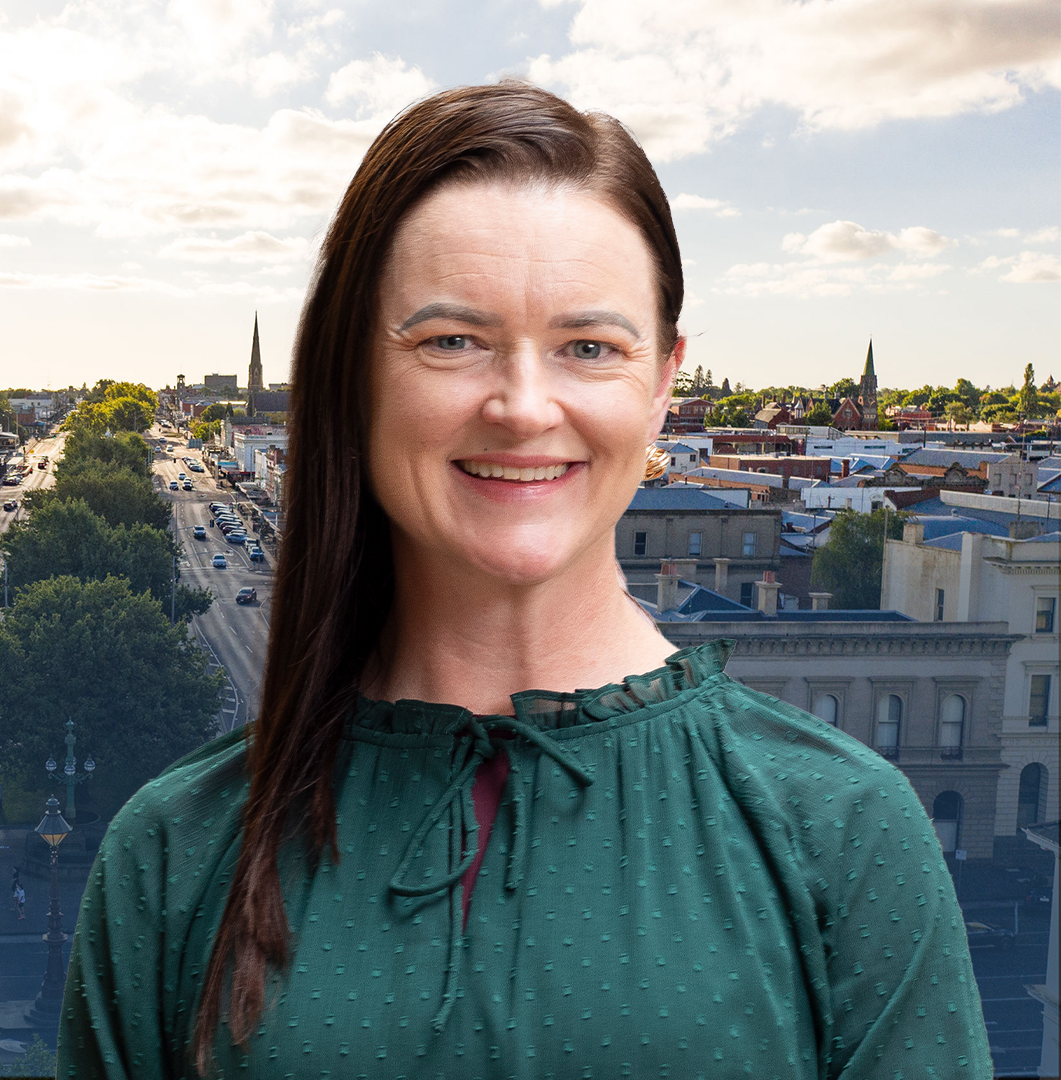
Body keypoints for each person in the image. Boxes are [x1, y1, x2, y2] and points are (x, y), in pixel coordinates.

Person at [58, 82, 986, 1079]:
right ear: (353, 371)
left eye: (589, 347)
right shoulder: (176, 852)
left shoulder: (843, 834)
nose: (524, 405)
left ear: (665, 382)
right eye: (453, 340)